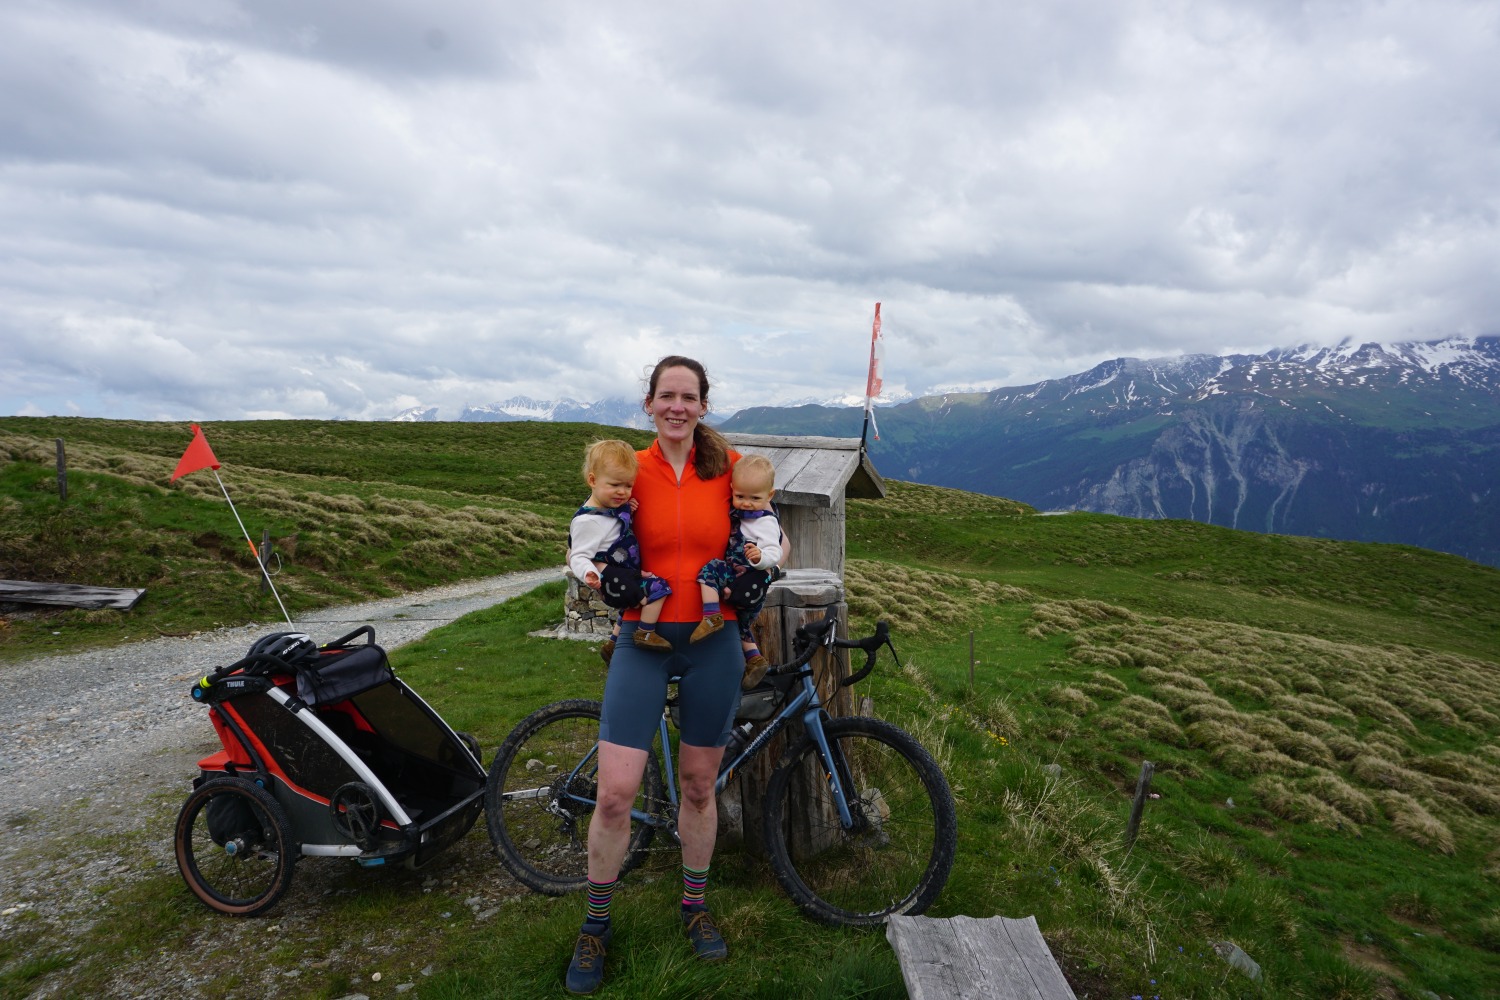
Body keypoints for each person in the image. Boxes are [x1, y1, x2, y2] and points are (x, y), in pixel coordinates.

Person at [565, 356, 749, 995]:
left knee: (699, 787)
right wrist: (592, 574)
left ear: (702, 406)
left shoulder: (725, 472)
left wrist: (759, 567)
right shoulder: (628, 470)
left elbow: (760, 528)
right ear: (649, 404)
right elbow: (586, 538)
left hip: (712, 639)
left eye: (689, 396)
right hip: (640, 641)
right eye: (666, 396)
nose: (677, 406)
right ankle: (595, 925)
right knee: (615, 794)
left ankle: (694, 906)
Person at [566, 440, 674, 660]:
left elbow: (613, 527)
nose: (622, 492)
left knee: (628, 609)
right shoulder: (589, 522)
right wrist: (590, 573)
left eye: (628, 486)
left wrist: (627, 508)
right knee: (659, 588)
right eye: (615, 485)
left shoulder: (608, 508)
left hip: (625, 572)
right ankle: (645, 631)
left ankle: (612, 644)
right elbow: (577, 555)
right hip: (614, 579)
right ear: (592, 480)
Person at [695, 454, 783, 689]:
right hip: (734, 575)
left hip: (748, 579)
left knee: (711, 574)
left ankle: (714, 618)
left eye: (755, 498)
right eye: (740, 496)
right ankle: (752, 657)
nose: (746, 503)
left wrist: (762, 558)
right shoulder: (740, 513)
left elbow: (775, 550)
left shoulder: (765, 521)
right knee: (741, 625)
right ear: (732, 489)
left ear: (770, 496)